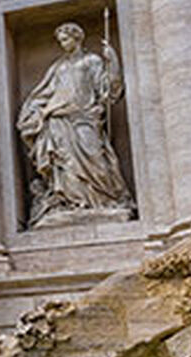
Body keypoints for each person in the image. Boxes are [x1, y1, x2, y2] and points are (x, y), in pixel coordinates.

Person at [17, 23, 132, 225]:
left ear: (77, 38)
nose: (63, 44)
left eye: (66, 39)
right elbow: (44, 93)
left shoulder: (92, 61)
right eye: (60, 41)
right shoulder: (58, 67)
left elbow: (106, 89)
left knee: (95, 158)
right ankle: (72, 202)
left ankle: (105, 201)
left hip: (85, 117)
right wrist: (34, 111)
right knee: (65, 164)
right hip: (58, 119)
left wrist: (112, 62)